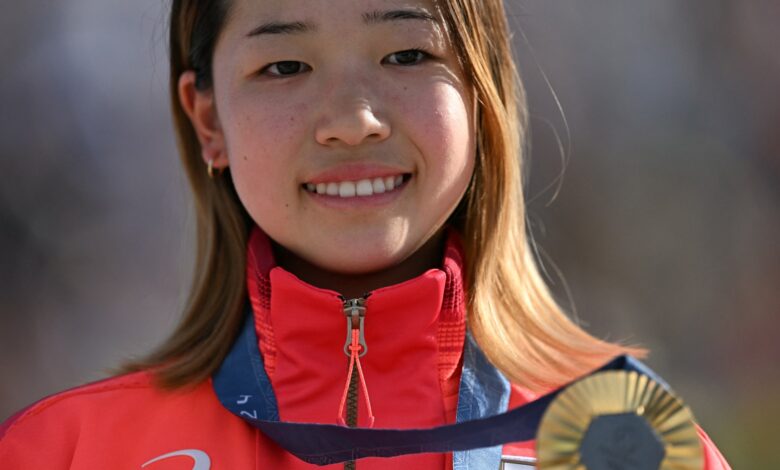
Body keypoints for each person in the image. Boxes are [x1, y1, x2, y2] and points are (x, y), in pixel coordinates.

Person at [0, 0, 730, 468]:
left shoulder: (629, 441)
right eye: (284, 65)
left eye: (406, 55)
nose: (353, 120)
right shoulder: (67, 452)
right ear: (209, 120)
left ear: (482, 90)